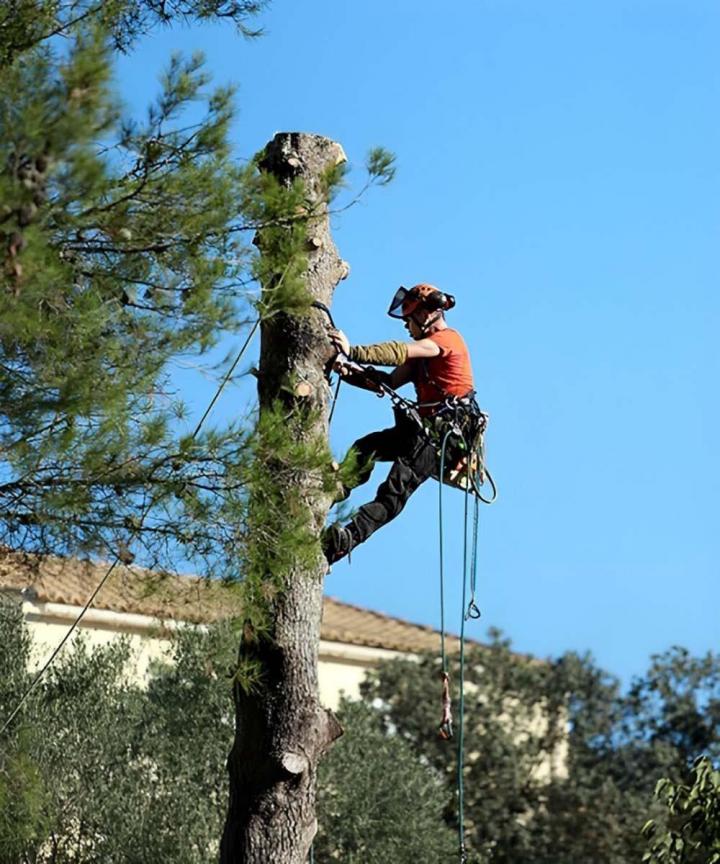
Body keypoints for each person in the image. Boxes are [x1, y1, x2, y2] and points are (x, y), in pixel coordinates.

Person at [322, 283, 476, 565]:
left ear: (427, 315)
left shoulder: (445, 341)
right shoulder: (423, 357)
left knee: (395, 488)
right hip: (424, 432)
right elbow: (389, 381)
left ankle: (347, 540)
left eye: (409, 319)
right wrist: (349, 372)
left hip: (442, 437)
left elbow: (398, 352)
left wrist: (353, 350)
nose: (406, 325)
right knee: (366, 447)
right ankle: (335, 487)